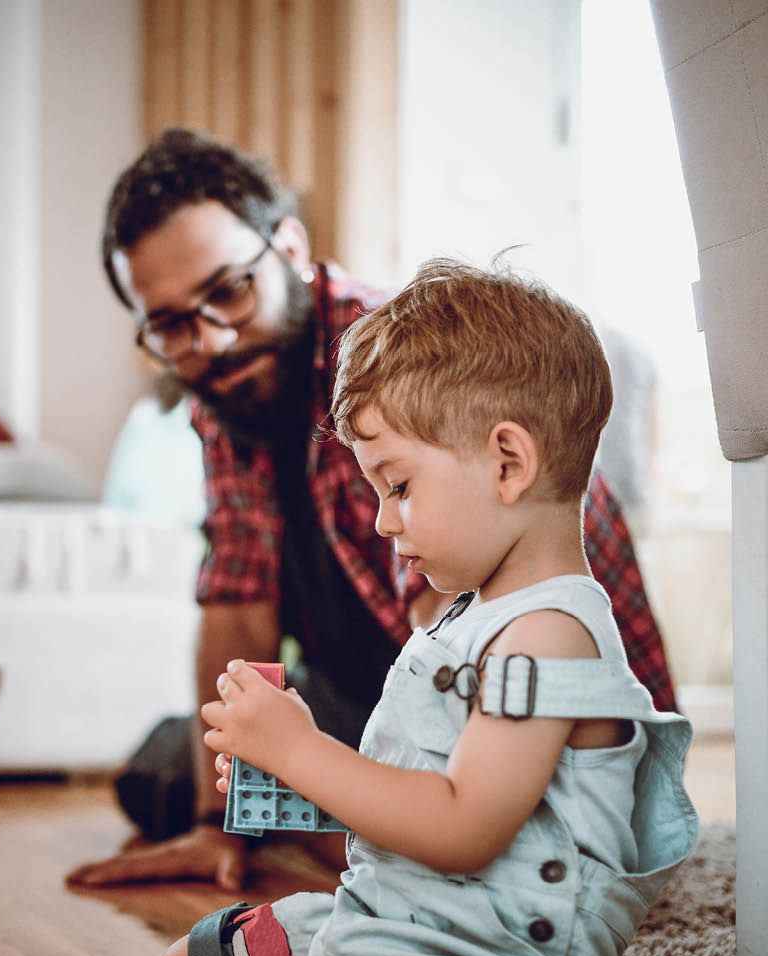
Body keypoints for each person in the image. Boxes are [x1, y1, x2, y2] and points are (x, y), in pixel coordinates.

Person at [0, 257, 698, 956]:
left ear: (508, 461)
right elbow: (406, 806)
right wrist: (284, 764)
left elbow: (465, 826)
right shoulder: (468, 616)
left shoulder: (551, 632)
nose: (386, 521)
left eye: (397, 486)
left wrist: (303, 753)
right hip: (396, 924)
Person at [69, 128, 676, 892]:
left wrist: (328, 786)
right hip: (377, 675)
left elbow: (453, 631)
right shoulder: (226, 395)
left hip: (487, 684)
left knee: (341, 794)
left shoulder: (393, 375)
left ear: (288, 247)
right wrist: (216, 819)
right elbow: (237, 603)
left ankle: (346, 826)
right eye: (172, 325)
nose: (213, 339)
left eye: (228, 290)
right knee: (171, 773)